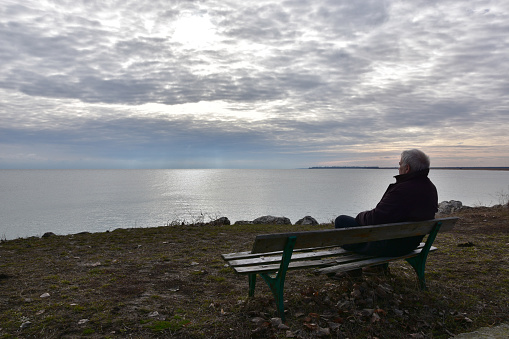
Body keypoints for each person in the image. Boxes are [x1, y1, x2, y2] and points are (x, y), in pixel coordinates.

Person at [335, 149, 438, 257]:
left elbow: (375, 219)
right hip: (410, 244)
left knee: (341, 220)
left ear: (407, 168)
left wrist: (360, 216)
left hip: (389, 247)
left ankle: (353, 270)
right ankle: (375, 268)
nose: (399, 168)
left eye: (400, 164)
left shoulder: (401, 190)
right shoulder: (430, 188)